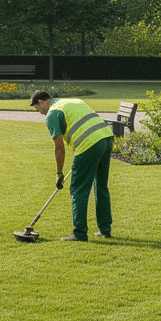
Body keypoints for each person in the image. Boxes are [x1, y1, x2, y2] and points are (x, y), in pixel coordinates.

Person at [30, 90, 114, 241]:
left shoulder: (53, 113)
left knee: (78, 190)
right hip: (106, 139)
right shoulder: (73, 101)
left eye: (37, 109)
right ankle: (105, 229)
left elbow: (59, 147)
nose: (39, 112)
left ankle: (80, 233)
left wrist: (59, 172)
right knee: (101, 186)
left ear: (42, 102)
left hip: (89, 145)